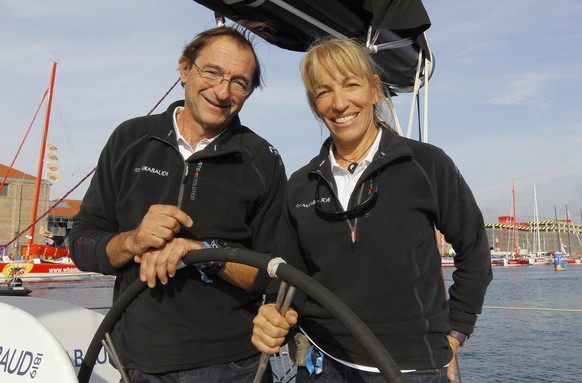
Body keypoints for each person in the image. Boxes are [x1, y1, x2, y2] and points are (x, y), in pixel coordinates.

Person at [251, 37, 492, 383]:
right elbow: (289, 278)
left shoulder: (426, 164)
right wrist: (274, 315)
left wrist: (457, 332)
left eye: (351, 85)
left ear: (374, 89)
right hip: (323, 364)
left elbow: (474, 248)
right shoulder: (300, 184)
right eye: (323, 92)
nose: (339, 103)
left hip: (410, 369)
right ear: (313, 103)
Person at [70, 23, 286, 382]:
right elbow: (80, 243)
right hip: (137, 363)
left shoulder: (262, 160)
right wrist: (133, 240)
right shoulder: (130, 139)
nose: (221, 91)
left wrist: (203, 251)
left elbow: (273, 271)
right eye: (212, 72)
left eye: (239, 82)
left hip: (232, 365)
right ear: (185, 69)